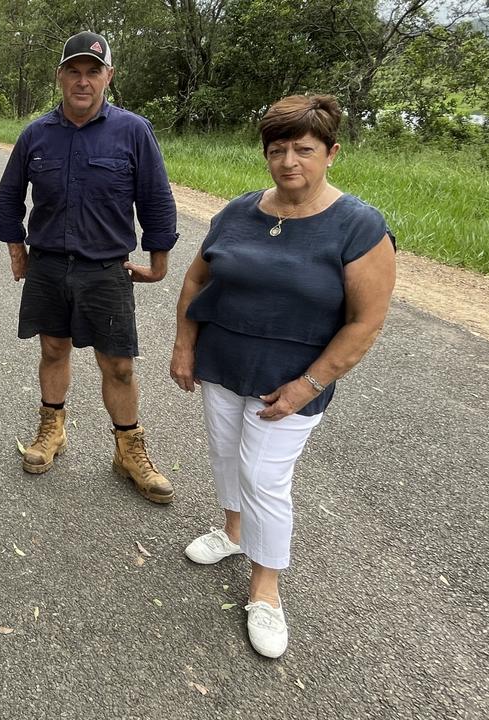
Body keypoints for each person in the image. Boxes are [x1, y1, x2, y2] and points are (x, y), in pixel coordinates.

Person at [171, 94, 395, 658]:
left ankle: (266, 591)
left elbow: (365, 322)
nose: (289, 161)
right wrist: (184, 343)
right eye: (277, 149)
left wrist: (309, 384)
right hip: (222, 364)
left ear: (331, 153)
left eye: (304, 149)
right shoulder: (239, 211)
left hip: (292, 380)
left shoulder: (358, 226)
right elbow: (197, 280)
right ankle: (231, 532)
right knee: (225, 455)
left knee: (264, 476)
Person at [0, 31, 179, 503]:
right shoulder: (36, 134)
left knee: (117, 364)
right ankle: (51, 429)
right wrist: (17, 250)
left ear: (108, 77)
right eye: (73, 71)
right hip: (49, 266)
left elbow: (156, 199)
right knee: (54, 348)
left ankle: (128, 449)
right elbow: (8, 197)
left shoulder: (133, 131)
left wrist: (158, 263)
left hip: (106, 269)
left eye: (92, 72)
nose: (82, 81)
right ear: (59, 76)